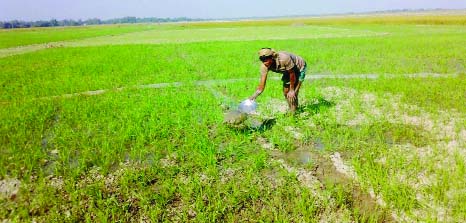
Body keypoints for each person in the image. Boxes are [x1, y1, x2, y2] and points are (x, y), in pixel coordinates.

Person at [249, 48, 307, 113]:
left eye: (266, 60)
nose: (264, 62)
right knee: (286, 92)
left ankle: (294, 112)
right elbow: (261, 87)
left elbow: (292, 73)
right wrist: (252, 98)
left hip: (298, 67)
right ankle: (292, 108)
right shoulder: (264, 66)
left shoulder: (284, 59)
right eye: (262, 60)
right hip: (287, 71)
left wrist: (292, 90)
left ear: (272, 57)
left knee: (293, 93)